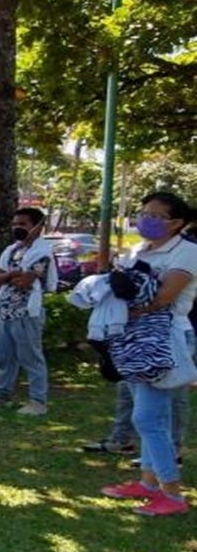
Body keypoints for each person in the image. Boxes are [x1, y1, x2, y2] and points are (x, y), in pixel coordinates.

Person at [100, 191, 194, 516]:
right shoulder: (139, 250)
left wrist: (127, 305)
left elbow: (163, 297)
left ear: (177, 223)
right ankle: (149, 483)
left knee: (147, 418)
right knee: (154, 417)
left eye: (156, 215)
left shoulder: (188, 253)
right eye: (144, 213)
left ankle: (172, 495)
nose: (146, 219)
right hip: (138, 339)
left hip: (165, 340)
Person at [0, 207, 58, 415]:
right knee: (4, 356)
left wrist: (9, 275)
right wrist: (13, 274)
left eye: (23, 224)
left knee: (30, 356)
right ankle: (3, 394)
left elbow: (25, 281)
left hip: (26, 311)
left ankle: (38, 401)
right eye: (15, 224)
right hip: (6, 310)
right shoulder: (11, 251)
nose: (17, 228)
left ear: (38, 228)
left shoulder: (42, 253)